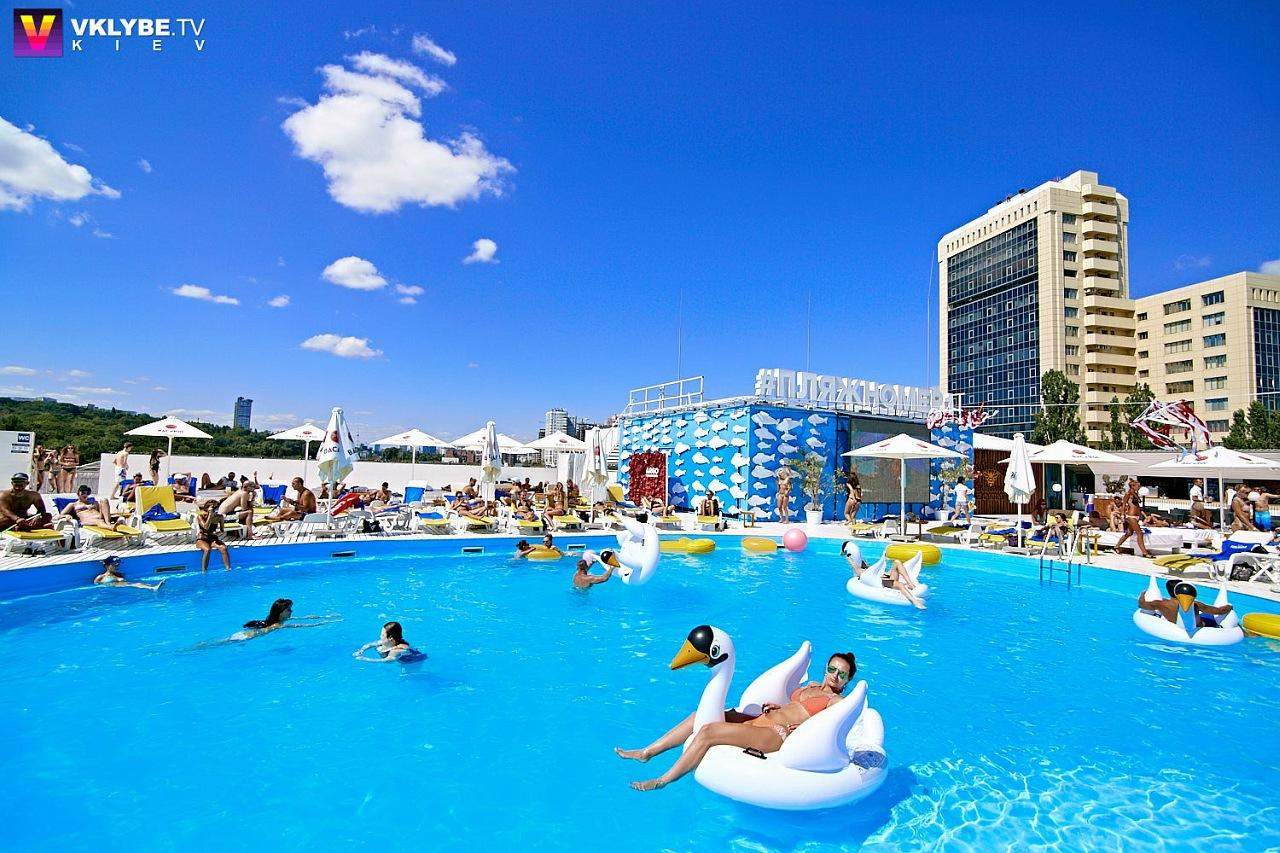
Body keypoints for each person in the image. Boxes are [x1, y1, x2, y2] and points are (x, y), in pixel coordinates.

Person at [619, 646, 858, 791]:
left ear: (848, 680)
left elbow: (831, 725)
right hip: (763, 718)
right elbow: (797, 707)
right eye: (832, 669)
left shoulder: (836, 701)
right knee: (699, 716)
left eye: (842, 674)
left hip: (776, 734)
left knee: (709, 732)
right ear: (826, 668)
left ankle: (662, 781)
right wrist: (779, 707)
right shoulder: (812, 685)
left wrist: (802, 730)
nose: (835, 676)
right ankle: (647, 752)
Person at [1140, 579, 1233, 629]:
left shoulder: (1160, 603)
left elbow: (1142, 605)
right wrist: (1229, 606)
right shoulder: (1195, 604)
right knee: (1210, 617)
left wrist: (1142, 594)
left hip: (1174, 625)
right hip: (1199, 628)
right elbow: (1220, 611)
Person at [61, 485, 130, 532]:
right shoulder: (73, 504)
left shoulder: (92, 502)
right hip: (88, 520)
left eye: (87, 493)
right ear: (78, 494)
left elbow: (104, 512)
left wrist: (97, 506)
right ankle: (110, 527)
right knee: (99, 521)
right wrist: (66, 516)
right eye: (83, 493)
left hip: (100, 517)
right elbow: (60, 515)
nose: (85, 495)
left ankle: (108, 522)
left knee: (104, 500)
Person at [353, 621, 426, 663]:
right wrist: (361, 651)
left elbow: (386, 661)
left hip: (413, 661)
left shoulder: (396, 651)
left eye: (382, 635)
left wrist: (364, 659)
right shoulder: (385, 642)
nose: (380, 636)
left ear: (390, 638)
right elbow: (370, 645)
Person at [1114, 479, 1151, 558]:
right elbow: (1124, 505)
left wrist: (1143, 516)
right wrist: (1122, 515)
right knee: (1139, 533)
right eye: (1138, 486)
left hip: (1136, 516)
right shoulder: (1128, 494)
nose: (1139, 487)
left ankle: (1116, 546)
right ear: (1133, 486)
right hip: (1131, 516)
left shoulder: (1135, 494)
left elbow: (1137, 506)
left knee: (1129, 533)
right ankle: (1145, 553)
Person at [195, 499, 231, 571]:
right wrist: (210, 516)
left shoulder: (219, 517)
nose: (215, 509)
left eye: (216, 508)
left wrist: (219, 529)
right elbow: (205, 527)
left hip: (212, 538)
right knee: (207, 549)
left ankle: (228, 569)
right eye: (213, 508)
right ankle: (204, 571)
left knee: (223, 548)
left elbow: (222, 530)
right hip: (202, 539)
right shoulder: (200, 516)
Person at [93, 555, 164, 591]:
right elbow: (95, 586)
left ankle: (152, 587)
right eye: (114, 565)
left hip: (122, 589)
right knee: (135, 584)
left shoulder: (119, 575)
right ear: (107, 566)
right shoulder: (100, 577)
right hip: (109, 590)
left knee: (137, 583)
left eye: (118, 565)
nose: (117, 566)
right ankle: (152, 588)